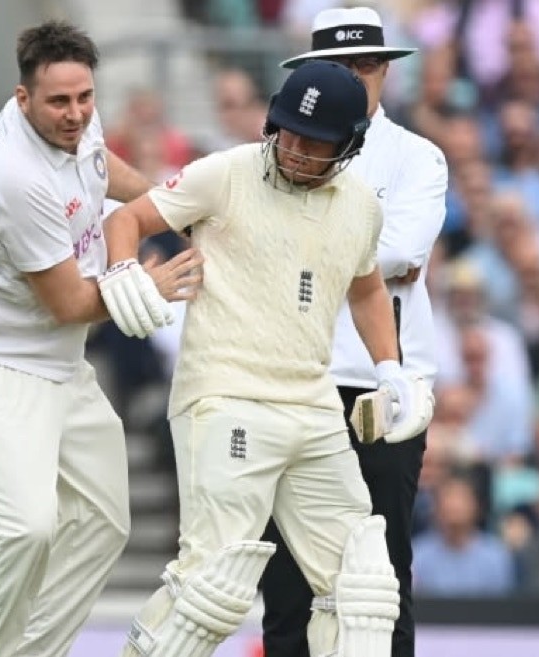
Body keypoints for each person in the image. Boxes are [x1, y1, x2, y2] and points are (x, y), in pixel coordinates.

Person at [103, 59, 431, 657]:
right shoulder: (225, 175)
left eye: (316, 142)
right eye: (288, 133)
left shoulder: (360, 207)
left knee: (362, 590)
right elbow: (129, 217)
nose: (297, 151)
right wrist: (125, 267)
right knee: (211, 590)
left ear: (350, 144)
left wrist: (390, 371)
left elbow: (366, 290)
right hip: (225, 397)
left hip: (311, 405)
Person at [0, 21, 200, 657]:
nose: (75, 114)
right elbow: (70, 303)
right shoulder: (16, 179)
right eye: (58, 102)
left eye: (84, 98)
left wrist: (170, 205)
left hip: (54, 362)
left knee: (102, 521)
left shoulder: (74, 121)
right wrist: (148, 286)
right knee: (25, 529)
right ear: (22, 99)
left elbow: (100, 167)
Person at [261, 7, 447, 657]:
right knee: (286, 577)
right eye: (338, 67)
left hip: (381, 385)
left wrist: (303, 251)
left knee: (380, 575)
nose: (355, 77)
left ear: (386, 72)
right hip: (296, 380)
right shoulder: (280, 152)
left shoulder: (418, 157)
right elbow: (380, 257)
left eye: (366, 64)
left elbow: (402, 249)